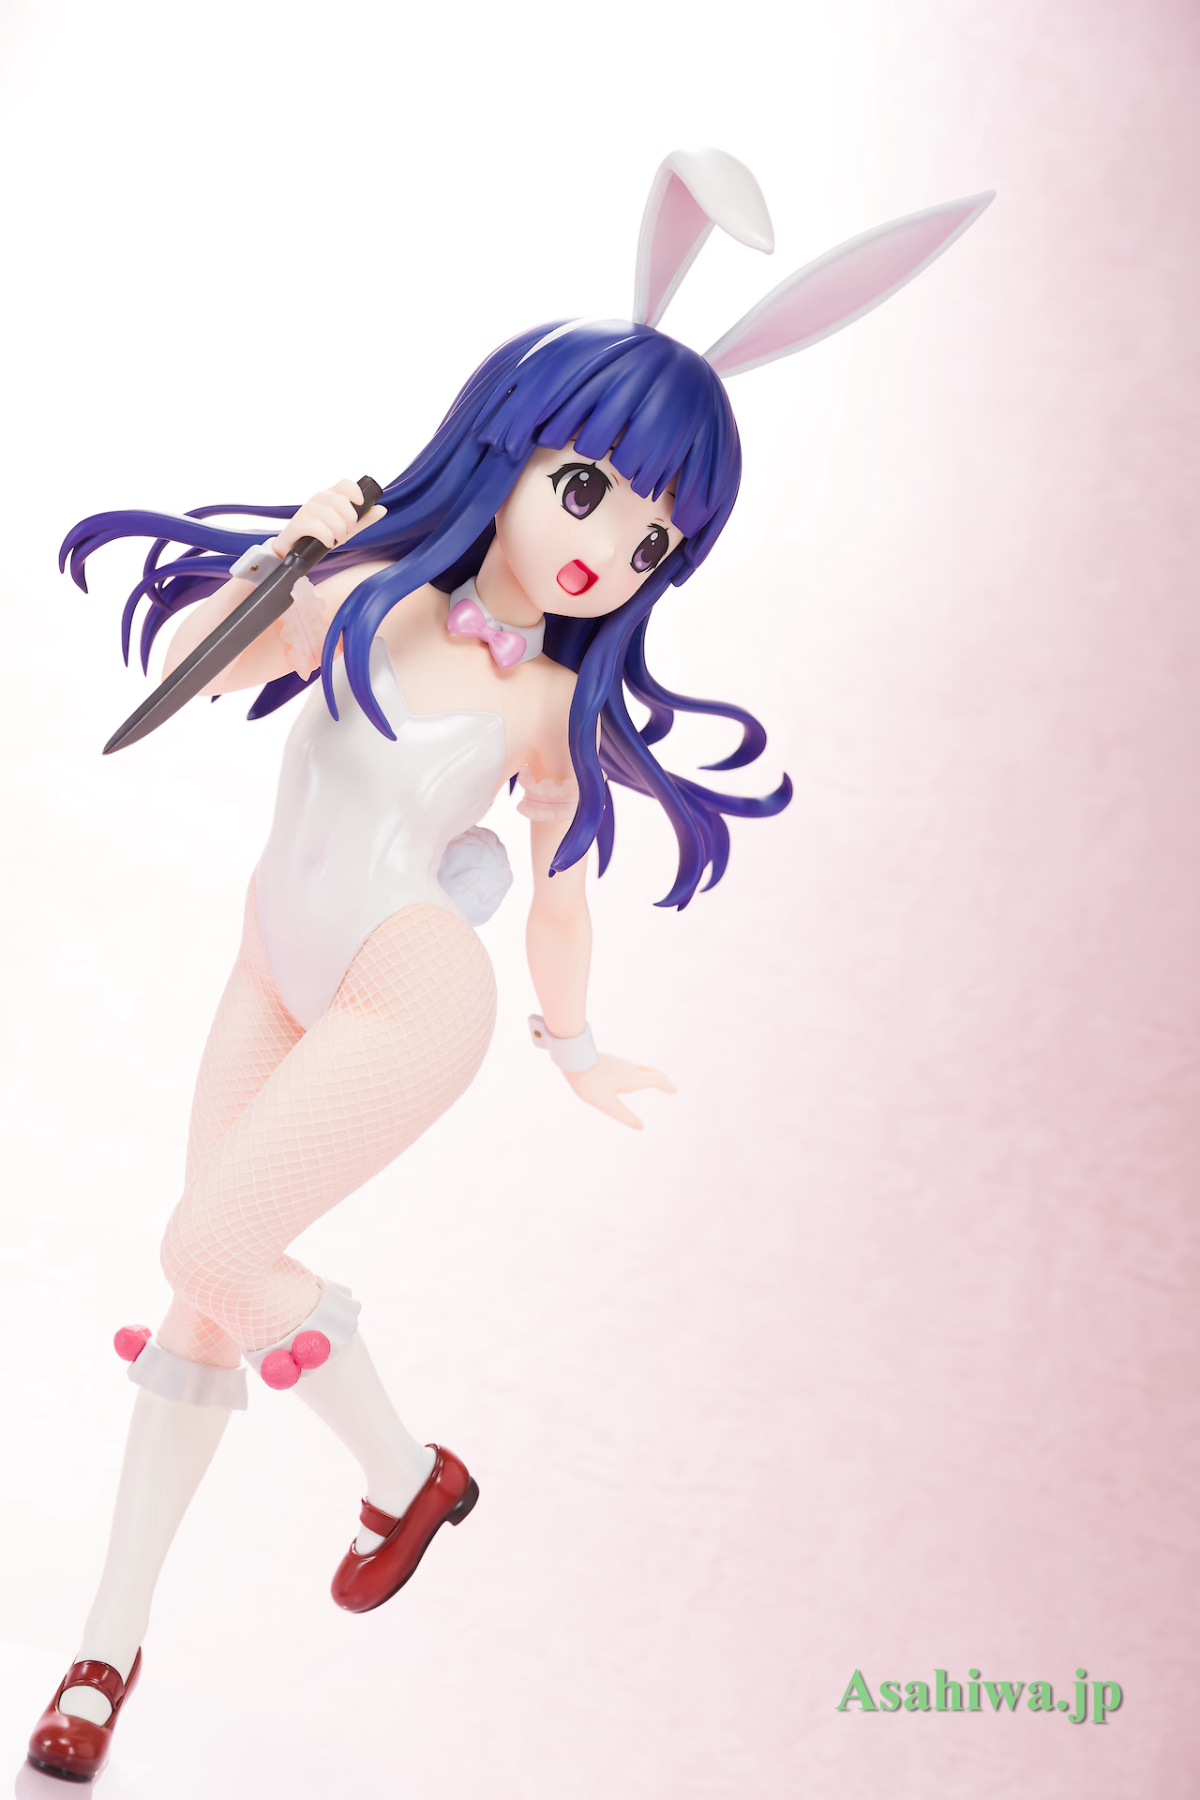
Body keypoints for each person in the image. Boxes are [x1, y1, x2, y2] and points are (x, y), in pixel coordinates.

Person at [29, 149, 991, 1781]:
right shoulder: (357, 594)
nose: (608, 550)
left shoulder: (551, 704)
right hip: (272, 964)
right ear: (512, 444)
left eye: (653, 538)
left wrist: (576, 1039)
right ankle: (110, 1650)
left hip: (409, 991)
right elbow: (198, 675)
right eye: (593, 490)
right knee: (201, 1298)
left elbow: (558, 892)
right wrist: (285, 559)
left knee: (210, 1237)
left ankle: (401, 1470)